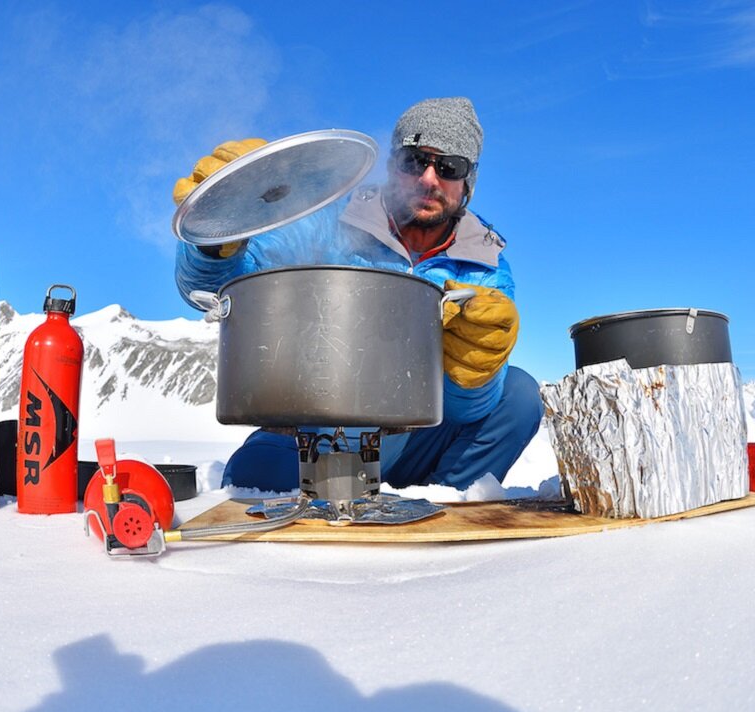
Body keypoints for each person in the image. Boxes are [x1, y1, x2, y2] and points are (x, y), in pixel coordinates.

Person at [173, 97, 541, 491]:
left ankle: (447, 505)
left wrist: (474, 373)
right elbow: (218, 284)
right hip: (324, 429)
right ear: (392, 164)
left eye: (450, 166)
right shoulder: (332, 215)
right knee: (254, 481)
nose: (429, 179)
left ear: (467, 182)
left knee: (518, 395)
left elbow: (465, 410)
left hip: (419, 437)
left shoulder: (483, 265)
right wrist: (224, 228)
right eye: (415, 160)